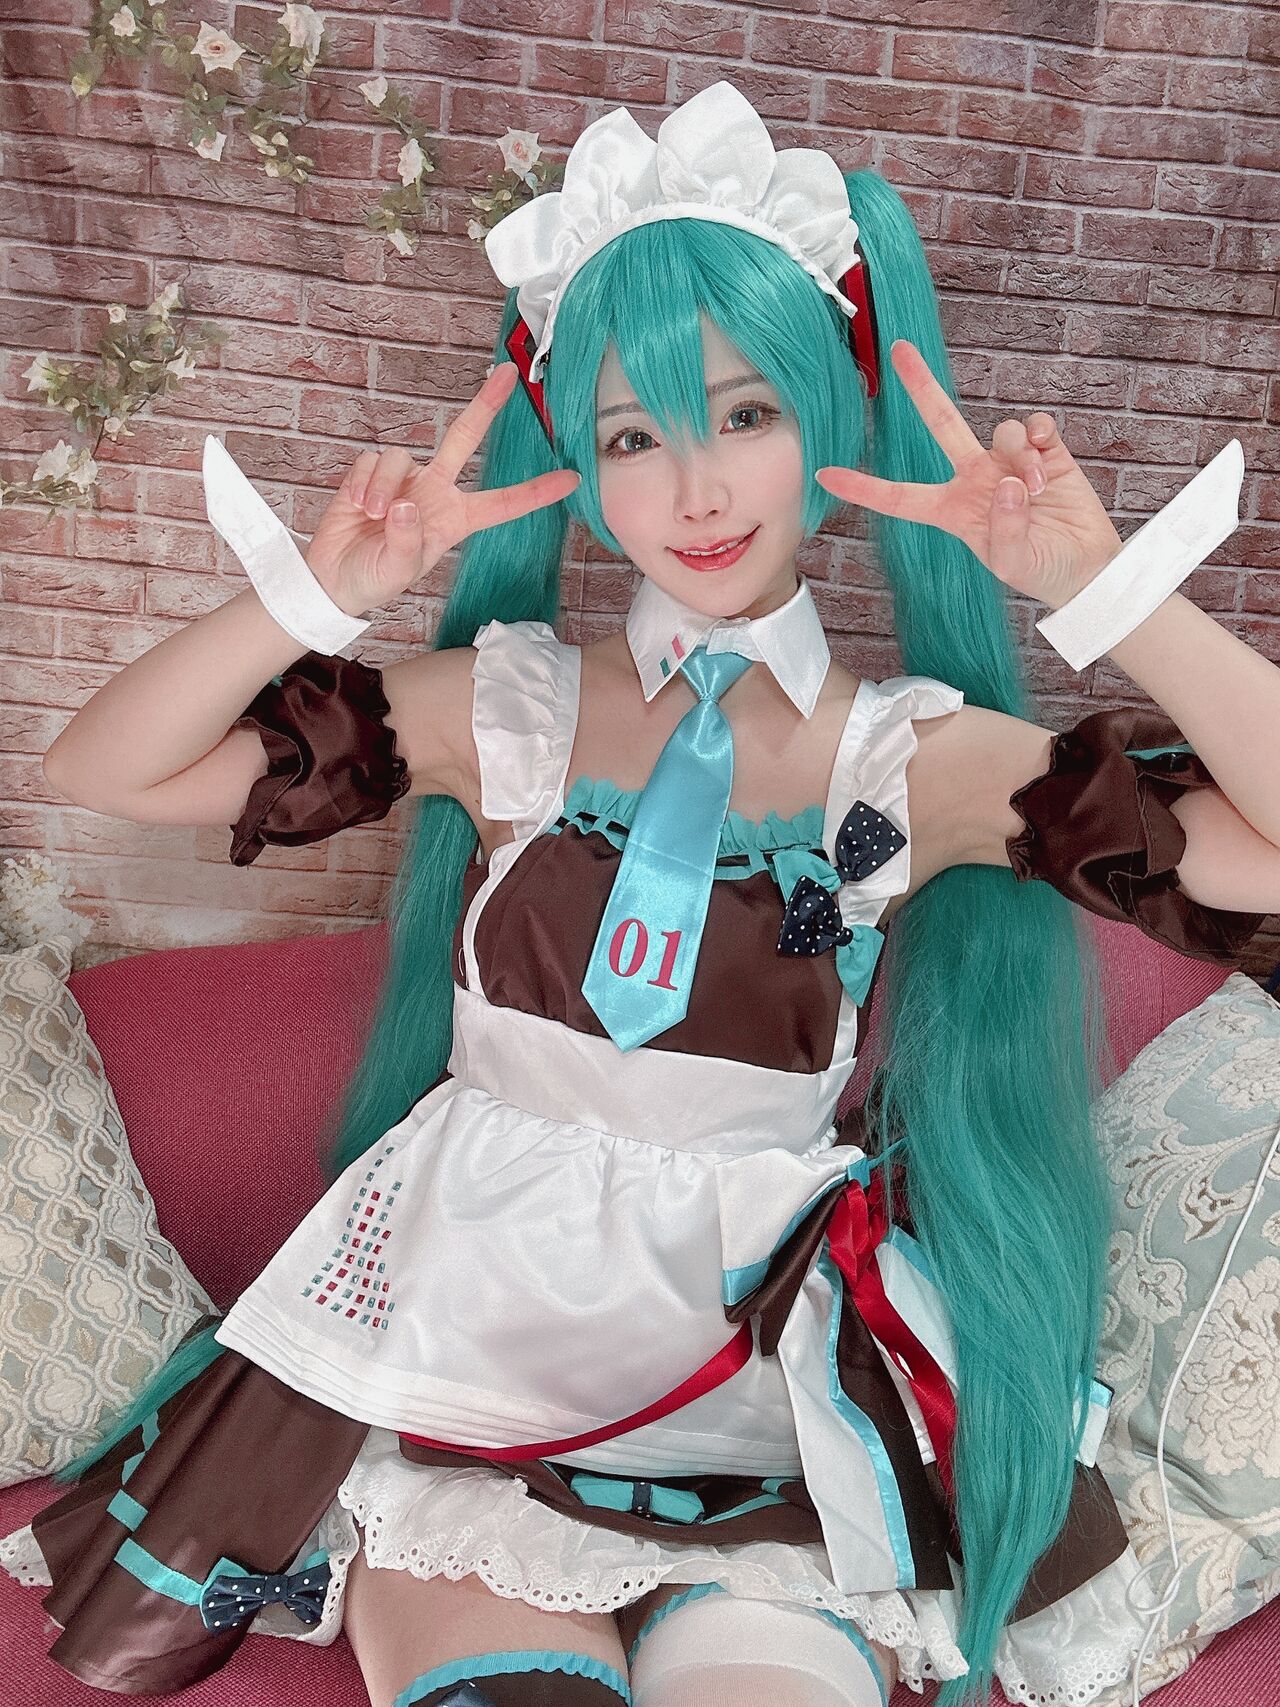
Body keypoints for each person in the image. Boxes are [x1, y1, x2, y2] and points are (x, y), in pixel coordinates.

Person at [3, 80, 1274, 1707]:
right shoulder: (500, 707)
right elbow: (106, 769)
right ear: (583, 468)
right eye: (632, 437)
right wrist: (319, 595)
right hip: (458, 1361)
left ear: (830, 419)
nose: (696, 491)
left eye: (744, 414)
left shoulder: (912, 759)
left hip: (762, 1387)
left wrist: (1103, 591)